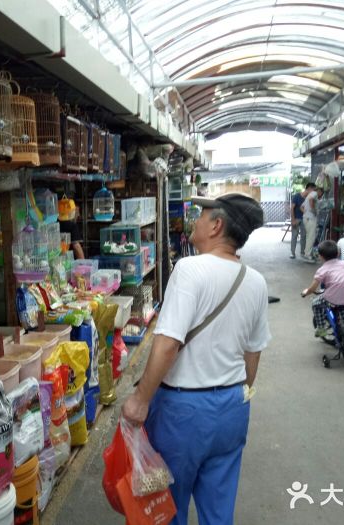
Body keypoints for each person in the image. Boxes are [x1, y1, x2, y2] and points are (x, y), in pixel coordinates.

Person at [121, 193, 270, 525]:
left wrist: (141, 399)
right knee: (218, 509)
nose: (194, 221)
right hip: (233, 406)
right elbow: (253, 351)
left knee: (166, 506)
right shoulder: (255, 281)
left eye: (201, 215)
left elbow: (167, 344)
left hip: (183, 413)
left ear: (216, 225)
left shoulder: (189, 269)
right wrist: (241, 395)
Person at [301, 240, 344, 337]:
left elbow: (313, 288)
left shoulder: (322, 270)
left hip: (332, 296)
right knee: (342, 305)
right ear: (338, 253)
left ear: (320, 256)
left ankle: (321, 328)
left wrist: (306, 292)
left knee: (315, 304)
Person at [289, 183, 315, 259]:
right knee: (294, 235)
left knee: (303, 236)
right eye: (313, 190)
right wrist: (293, 220)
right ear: (309, 189)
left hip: (305, 219)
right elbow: (292, 208)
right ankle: (292, 253)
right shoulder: (297, 196)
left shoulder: (309, 198)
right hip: (296, 218)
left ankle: (302, 252)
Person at [301, 183, 319, 263]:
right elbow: (311, 200)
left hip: (306, 218)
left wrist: (306, 212)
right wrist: (314, 211)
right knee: (311, 237)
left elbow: (301, 207)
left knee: (309, 237)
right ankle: (307, 255)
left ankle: (307, 254)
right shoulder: (314, 193)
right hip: (310, 218)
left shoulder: (308, 196)